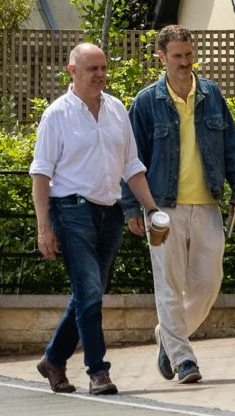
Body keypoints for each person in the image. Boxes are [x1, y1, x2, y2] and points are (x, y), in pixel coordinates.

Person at [30, 41, 161, 396]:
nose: (100, 75)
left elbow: (132, 166)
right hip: (71, 211)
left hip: (110, 213)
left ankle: (53, 360)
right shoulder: (57, 115)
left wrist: (151, 208)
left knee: (89, 294)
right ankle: (98, 371)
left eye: (103, 68)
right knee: (89, 293)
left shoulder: (117, 109)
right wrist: (44, 228)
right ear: (72, 71)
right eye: (92, 69)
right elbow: (40, 174)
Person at [124, 24, 235, 385]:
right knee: (167, 283)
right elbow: (131, 158)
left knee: (208, 282)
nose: (185, 62)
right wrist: (131, 207)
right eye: (177, 56)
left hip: (208, 203)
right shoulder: (146, 102)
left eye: (189, 55)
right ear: (161, 57)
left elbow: (232, 147)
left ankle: (168, 336)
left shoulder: (211, 94)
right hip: (162, 208)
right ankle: (183, 360)